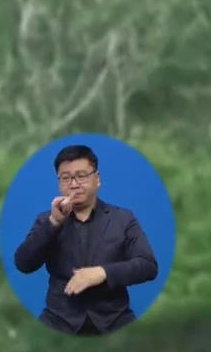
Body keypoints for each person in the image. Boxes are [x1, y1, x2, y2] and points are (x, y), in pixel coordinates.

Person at [13, 144, 159, 336]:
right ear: (59, 183)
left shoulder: (123, 218)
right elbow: (23, 264)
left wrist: (103, 273)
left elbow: (148, 266)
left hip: (114, 320)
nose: (73, 184)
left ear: (97, 179)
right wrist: (54, 222)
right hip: (59, 321)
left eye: (81, 176)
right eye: (66, 178)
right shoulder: (46, 220)